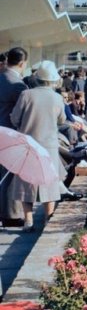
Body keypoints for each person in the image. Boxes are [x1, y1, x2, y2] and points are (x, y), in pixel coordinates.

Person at [10, 61, 66, 232]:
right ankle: (48, 218)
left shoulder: (26, 95)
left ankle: (28, 220)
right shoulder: (57, 97)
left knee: (26, 182)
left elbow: (15, 118)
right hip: (49, 146)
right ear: (53, 80)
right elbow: (61, 120)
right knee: (49, 182)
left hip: (28, 145)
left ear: (37, 78)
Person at [0, 47, 28, 227]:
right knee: (9, 174)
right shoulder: (18, 86)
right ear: (22, 63)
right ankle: (9, 215)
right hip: (9, 133)